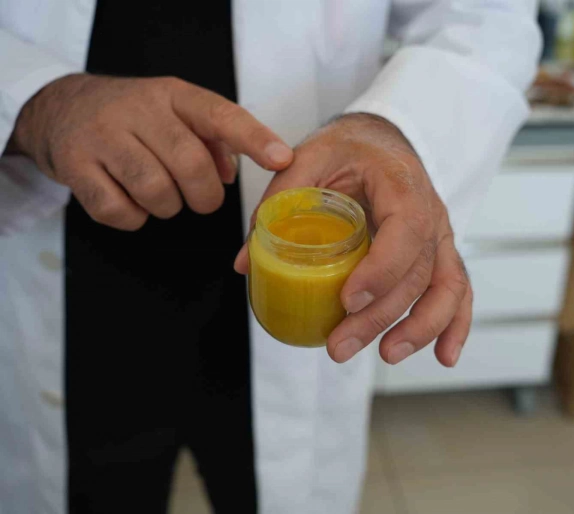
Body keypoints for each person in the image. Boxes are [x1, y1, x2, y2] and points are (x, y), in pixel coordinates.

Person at [0, 1, 541, 513]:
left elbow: (487, 16)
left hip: (298, 300)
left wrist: (399, 127)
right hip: (69, 277)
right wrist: (31, 98)